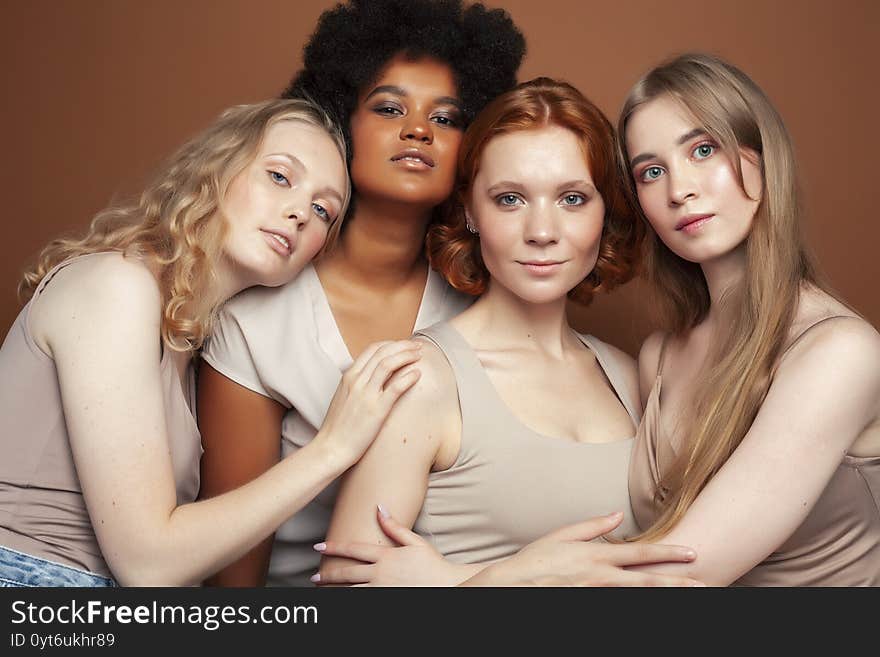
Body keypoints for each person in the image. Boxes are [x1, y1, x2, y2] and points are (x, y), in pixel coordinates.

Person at [0, 97, 425, 587]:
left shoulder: (187, 342)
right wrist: (332, 448)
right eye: (280, 177)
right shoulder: (116, 286)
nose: (299, 214)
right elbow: (148, 564)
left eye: (322, 210)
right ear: (216, 170)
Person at [317, 77, 704, 588]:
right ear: (470, 212)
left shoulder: (631, 375)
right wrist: (514, 577)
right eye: (509, 200)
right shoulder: (420, 380)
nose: (542, 232)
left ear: (605, 211)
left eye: (571, 199)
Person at [196, 0, 526, 587]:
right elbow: (232, 581)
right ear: (340, 121)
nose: (419, 129)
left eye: (447, 118)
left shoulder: (485, 308)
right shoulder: (256, 320)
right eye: (389, 107)